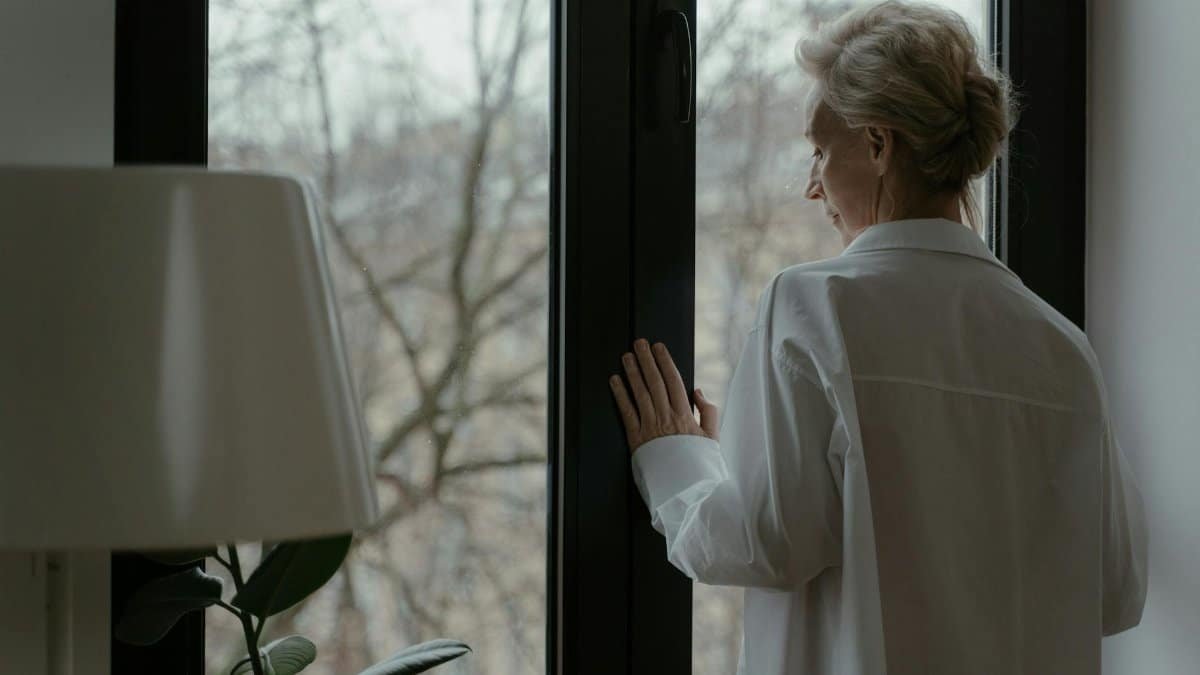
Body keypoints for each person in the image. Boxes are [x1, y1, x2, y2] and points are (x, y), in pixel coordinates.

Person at [607, 2, 1149, 674]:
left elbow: (766, 540)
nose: (812, 186)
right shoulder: (1061, 346)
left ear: (878, 144)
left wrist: (675, 460)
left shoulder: (814, 307)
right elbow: (1117, 591)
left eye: (818, 150)